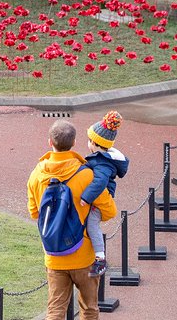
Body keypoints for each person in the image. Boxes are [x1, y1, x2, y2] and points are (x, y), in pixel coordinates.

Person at [28, 119, 118, 320]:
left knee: (55, 311)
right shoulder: (87, 175)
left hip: (54, 254)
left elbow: (34, 213)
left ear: (50, 142)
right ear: (74, 142)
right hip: (84, 255)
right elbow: (110, 211)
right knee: (89, 309)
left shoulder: (36, 175)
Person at [82, 110, 130, 277]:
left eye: (89, 140)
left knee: (92, 224)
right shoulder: (102, 159)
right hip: (99, 198)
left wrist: (86, 197)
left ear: (94, 143)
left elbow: (99, 182)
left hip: (101, 201)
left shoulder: (102, 163)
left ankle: (100, 258)